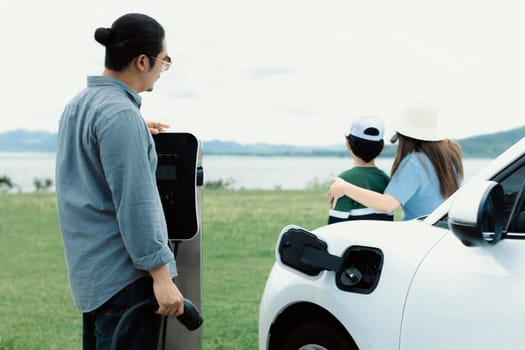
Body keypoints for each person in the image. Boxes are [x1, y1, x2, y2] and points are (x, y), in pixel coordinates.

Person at [55, 13, 184, 349]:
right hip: (125, 281)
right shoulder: (121, 116)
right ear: (142, 61)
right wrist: (161, 277)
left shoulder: (78, 106)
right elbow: (136, 204)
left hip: (91, 278)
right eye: (163, 61)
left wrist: (135, 131)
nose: (162, 69)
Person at [328, 103, 464, 221]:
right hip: (445, 233)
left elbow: (387, 204)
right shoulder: (450, 154)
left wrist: (344, 187)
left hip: (419, 235)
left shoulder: (415, 162)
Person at [328, 116, 393, 224]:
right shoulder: (387, 181)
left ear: (348, 144)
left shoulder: (342, 182)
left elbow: (334, 226)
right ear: (381, 148)